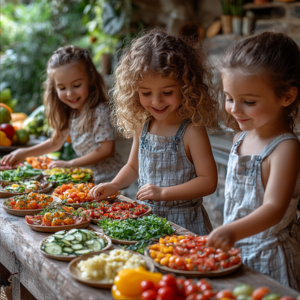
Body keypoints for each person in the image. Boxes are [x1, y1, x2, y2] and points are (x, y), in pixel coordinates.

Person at [90, 29, 219, 235]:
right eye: (146, 93)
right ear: (134, 91)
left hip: (185, 224)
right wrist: (115, 185)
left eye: (167, 92)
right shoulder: (144, 124)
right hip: (148, 221)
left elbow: (208, 181)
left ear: (185, 87)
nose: (157, 102)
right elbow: (133, 166)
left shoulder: (191, 130)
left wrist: (163, 193)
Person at [207, 32, 300, 290]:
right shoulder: (241, 137)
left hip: (270, 258)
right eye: (229, 98)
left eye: (248, 101)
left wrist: (232, 231)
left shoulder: (285, 148)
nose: (235, 109)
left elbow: (274, 209)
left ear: (287, 97)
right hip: (238, 253)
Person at [1, 45, 123, 184]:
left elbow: (106, 150)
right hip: (88, 179)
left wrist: (70, 163)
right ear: (54, 89)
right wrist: (24, 152)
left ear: (90, 79)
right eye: (62, 88)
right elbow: (55, 142)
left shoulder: (99, 111)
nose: (70, 93)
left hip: (111, 181)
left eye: (76, 85)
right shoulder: (71, 113)